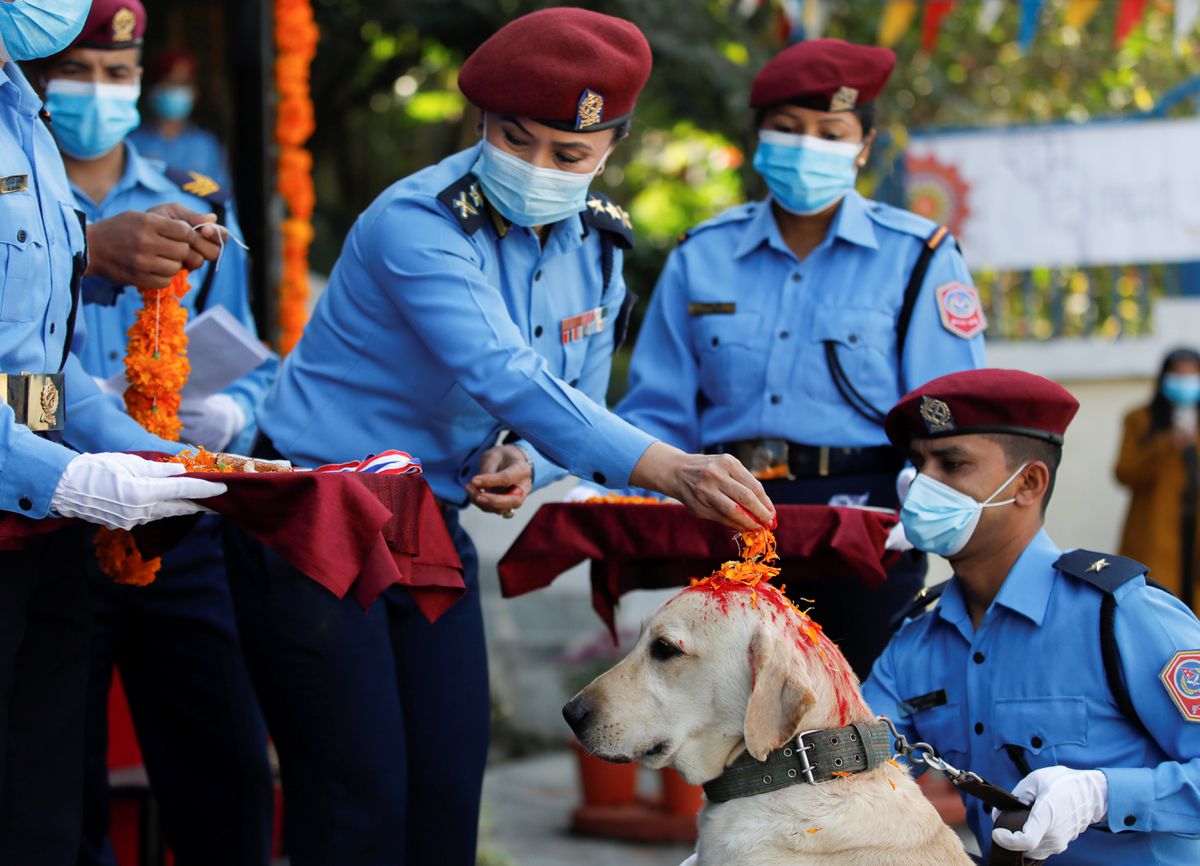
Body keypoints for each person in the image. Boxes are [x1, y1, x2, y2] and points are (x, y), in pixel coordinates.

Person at [226, 8, 774, 865]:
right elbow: (506, 373)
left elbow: (566, 402)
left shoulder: (597, 246)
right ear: (480, 124)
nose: (539, 169)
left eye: (570, 155)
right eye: (516, 142)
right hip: (314, 514)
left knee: (446, 788)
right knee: (354, 797)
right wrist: (666, 465)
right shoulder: (420, 225)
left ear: (611, 149)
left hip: (428, 524)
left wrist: (528, 457)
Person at [611, 38, 985, 678]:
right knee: (732, 739)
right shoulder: (702, 254)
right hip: (728, 518)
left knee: (859, 731)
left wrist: (934, 504)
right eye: (787, 130)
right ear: (759, 141)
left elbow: (949, 413)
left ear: (863, 146)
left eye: (829, 132)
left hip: (865, 527)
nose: (807, 146)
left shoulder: (918, 256)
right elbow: (657, 411)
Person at [31, 4, 277, 865]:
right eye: (80, 71)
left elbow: (252, 354)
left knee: (227, 768)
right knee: (54, 785)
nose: (100, 92)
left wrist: (230, 417)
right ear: (35, 79)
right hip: (46, 512)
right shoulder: (14, 199)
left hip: (175, 513)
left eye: (118, 74)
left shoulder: (196, 200)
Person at [863, 368, 1200, 864]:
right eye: (918, 463)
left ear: (1028, 483)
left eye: (952, 464)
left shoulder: (1119, 615)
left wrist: (1102, 794)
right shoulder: (916, 644)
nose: (921, 485)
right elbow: (852, 777)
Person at [1116, 347, 1200, 612]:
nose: (1185, 384)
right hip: (1156, 538)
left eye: (1192, 377)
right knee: (1157, 609)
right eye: (1178, 376)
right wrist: (1165, 444)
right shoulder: (1140, 419)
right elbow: (1124, 472)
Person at [129, 49, 229, 189]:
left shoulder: (207, 145)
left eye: (182, 83)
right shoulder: (131, 144)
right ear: (152, 89)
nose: (175, 90)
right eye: (169, 82)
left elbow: (223, 198)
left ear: (195, 92)